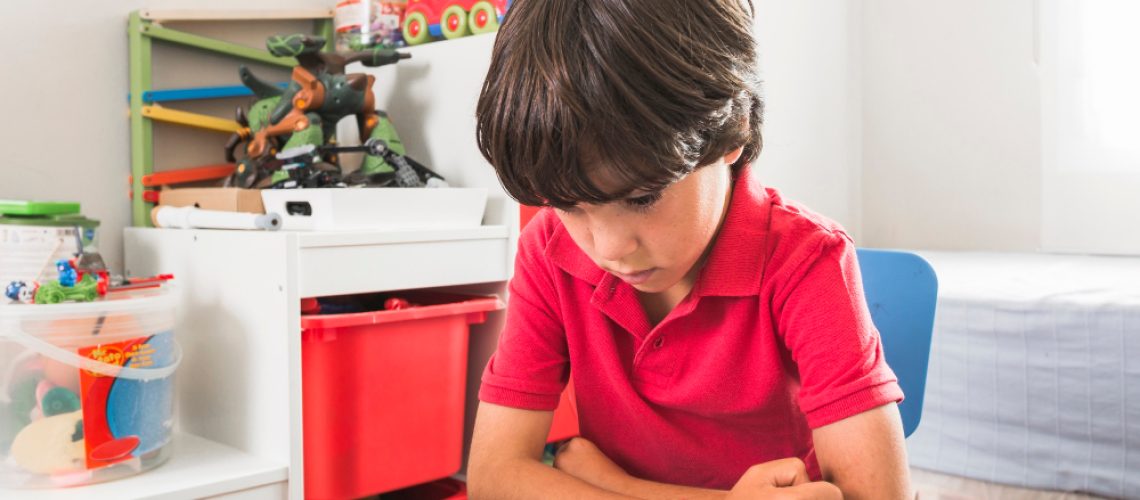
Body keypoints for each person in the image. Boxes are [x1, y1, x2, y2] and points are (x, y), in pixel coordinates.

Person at [467, 0, 913, 498]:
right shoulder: (547, 251)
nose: (610, 248)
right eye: (570, 207)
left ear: (731, 132)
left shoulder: (807, 260)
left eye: (642, 197)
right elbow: (492, 477)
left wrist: (608, 484)